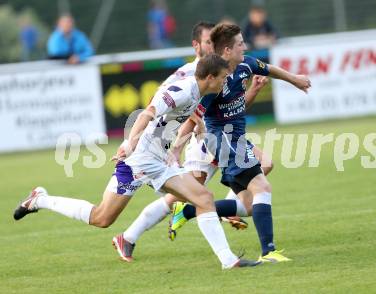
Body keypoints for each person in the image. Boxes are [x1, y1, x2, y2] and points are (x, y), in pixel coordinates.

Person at [13, 54, 259, 269]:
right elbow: (147, 113)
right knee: (102, 218)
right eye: (223, 77)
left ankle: (229, 261)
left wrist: (200, 133)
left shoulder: (200, 92)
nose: (226, 81)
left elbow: (192, 115)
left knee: (203, 198)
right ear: (210, 77)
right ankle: (40, 199)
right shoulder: (182, 90)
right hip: (139, 159)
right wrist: (129, 142)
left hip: (159, 160)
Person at [110, 21, 270, 262]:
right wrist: (176, 146)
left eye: (214, 42)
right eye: (208, 42)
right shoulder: (192, 74)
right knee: (183, 196)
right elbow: (172, 110)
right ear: (197, 46)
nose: (212, 46)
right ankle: (130, 236)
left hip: (220, 136)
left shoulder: (224, 70)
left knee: (263, 165)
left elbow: (232, 108)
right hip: (201, 141)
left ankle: (219, 212)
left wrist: (254, 91)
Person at [168, 23, 311, 263]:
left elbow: (269, 69)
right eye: (240, 44)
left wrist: (294, 79)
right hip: (223, 139)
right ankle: (269, 252)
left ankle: (188, 210)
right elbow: (193, 117)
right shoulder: (215, 82)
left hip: (236, 137)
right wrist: (177, 149)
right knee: (263, 187)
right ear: (227, 50)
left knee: (248, 205)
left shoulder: (245, 64)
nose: (245, 46)